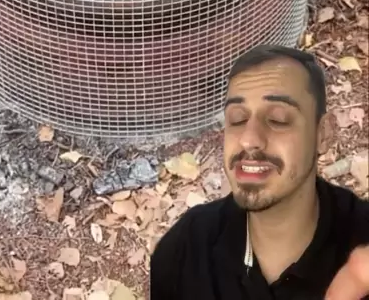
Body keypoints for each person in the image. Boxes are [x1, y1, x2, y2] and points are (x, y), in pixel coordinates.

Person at [151, 45, 369, 299]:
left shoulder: (361, 247)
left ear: (323, 134)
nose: (249, 139)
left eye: (278, 119)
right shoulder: (185, 250)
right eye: (237, 119)